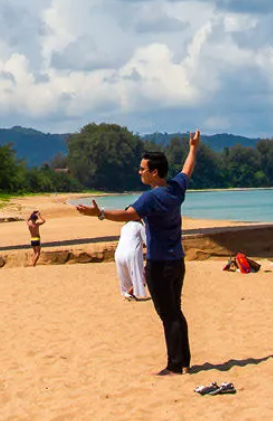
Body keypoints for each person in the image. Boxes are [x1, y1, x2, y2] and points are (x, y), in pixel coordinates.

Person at [79, 129, 201, 376]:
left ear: (154, 172)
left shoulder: (151, 198)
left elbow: (126, 215)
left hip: (159, 264)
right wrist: (193, 148)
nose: (139, 172)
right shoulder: (176, 188)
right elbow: (187, 170)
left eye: (142, 169)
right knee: (175, 310)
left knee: (168, 314)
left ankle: (175, 365)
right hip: (177, 261)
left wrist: (99, 213)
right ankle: (184, 360)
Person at [115, 218, 148, 300]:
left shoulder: (125, 227)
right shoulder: (139, 226)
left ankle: (129, 293)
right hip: (131, 254)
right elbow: (148, 242)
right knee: (141, 276)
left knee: (125, 276)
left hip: (119, 253)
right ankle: (129, 292)